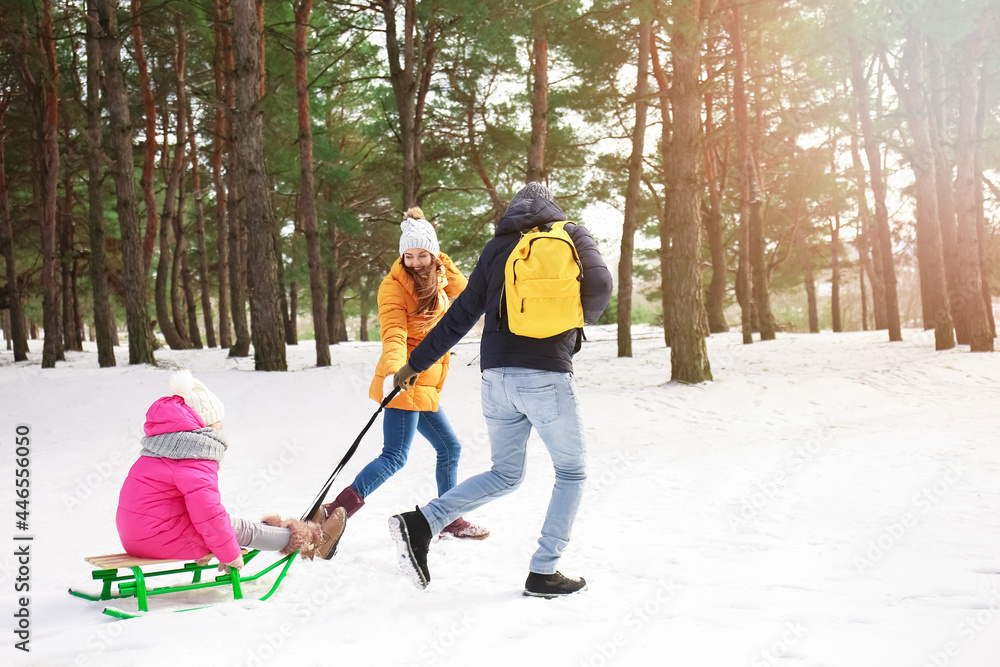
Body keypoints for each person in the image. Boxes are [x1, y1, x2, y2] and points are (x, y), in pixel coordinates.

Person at [388, 182, 613, 598]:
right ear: (552, 205)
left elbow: (459, 316)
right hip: (546, 374)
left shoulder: (498, 247)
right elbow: (600, 286)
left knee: (505, 473)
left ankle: (422, 523)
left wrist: (414, 365)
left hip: (496, 376)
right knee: (572, 472)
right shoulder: (573, 235)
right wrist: (571, 321)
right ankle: (544, 571)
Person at [311, 208, 488, 542]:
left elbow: (467, 297)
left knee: (449, 448)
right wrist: (397, 370)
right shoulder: (393, 287)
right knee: (394, 457)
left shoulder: (439, 276)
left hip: (426, 380)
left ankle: (447, 517)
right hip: (406, 377)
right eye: (409, 256)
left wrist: (442, 262)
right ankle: (335, 512)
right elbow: (393, 332)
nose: (416, 262)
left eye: (423, 255)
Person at [117, 371, 347, 568]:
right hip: (161, 537)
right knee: (238, 529)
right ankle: (313, 540)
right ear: (202, 424)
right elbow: (207, 513)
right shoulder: (192, 456)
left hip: (138, 536)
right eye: (217, 421)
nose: (221, 426)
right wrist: (228, 553)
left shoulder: (161, 450)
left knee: (228, 526)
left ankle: (300, 534)